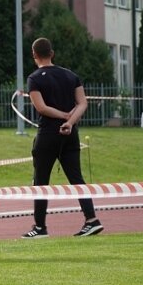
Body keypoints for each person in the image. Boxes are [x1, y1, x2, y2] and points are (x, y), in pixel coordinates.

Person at [22, 37, 104, 238]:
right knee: (76, 177)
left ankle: (40, 227)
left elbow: (41, 108)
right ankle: (91, 219)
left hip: (48, 134)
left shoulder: (34, 78)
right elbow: (82, 103)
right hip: (70, 135)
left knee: (40, 181)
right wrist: (70, 121)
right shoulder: (71, 76)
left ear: (34, 55)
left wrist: (63, 117)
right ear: (52, 53)